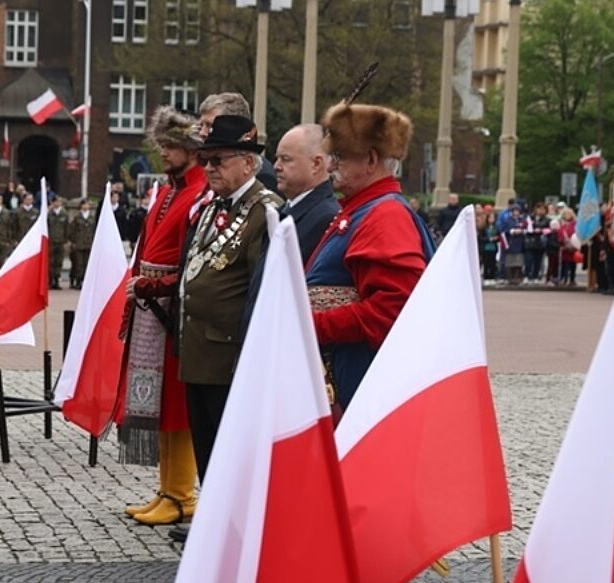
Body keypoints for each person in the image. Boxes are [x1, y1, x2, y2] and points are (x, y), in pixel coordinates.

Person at [176, 111, 280, 504]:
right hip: (198, 349)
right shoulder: (213, 206)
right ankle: (212, 515)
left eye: (218, 160)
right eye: (205, 160)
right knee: (206, 444)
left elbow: (261, 290)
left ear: (248, 163)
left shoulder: (264, 211)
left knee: (229, 448)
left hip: (228, 354)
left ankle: (231, 519)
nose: (208, 168)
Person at [305, 103, 429, 413]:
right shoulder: (363, 208)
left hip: (358, 380)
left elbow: (392, 310)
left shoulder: (385, 215)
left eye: (340, 156)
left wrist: (310, 325)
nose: (330, 166)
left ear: (371, 159)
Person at [118, 108, 207, 527]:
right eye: (163, 145)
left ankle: (182, 494)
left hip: (173, 309)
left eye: (171, 146)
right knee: (161, 404)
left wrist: (157, 285)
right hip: (153, 308)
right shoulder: (171, 190)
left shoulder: (198, 192)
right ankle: (167, 489)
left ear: (191, 149)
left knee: (177, 406)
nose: (164, 153)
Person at [273, 123, 337, 263]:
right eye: (277, 158)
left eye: (286, 159)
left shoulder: (326, 218)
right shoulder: (282, 211)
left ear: (316, 164)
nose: (276, 166)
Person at [68, 197, 96, 288]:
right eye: (84, 204)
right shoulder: (77, 218)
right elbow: (72, 230)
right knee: (78, 264)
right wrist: (73, 242)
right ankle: (78, 281)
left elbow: (94, 231)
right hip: (79, 244)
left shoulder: (92, 218)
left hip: (88, 244)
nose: (86, 206)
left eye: (87, 204)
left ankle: (85, 281)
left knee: (87, 263)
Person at [46, 195, 69, 289]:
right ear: (52, 203)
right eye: (56, 201)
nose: (58, 203)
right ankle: (50, 280)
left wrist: (66, 240)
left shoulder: (64, 214)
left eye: (59, 201)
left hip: (61, 241)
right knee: (51, 261)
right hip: (51, 241)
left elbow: (67, 228)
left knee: (59, 261)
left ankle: (57, 280)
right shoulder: (49, 213)